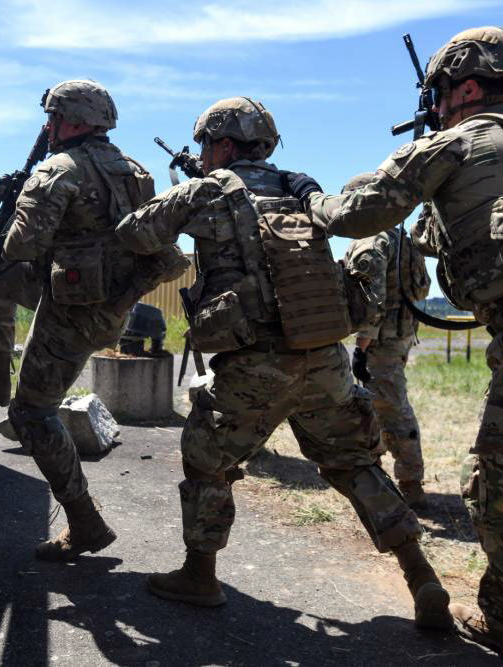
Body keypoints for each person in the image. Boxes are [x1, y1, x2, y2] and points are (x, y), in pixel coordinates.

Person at [308, 27, 503, 663]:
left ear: (466, 87)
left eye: (442, 93)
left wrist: (312, 200)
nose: (437, 105)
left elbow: (354, 214)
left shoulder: (453, 143)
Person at [115, 97, 452, 631]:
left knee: (205, 458)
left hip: (254, 364)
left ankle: (200, 575)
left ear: (224, 144)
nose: (201, 156)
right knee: (356, 465)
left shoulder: (204, 190)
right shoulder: (301, 185)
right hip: (324, 358)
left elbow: (134, 234)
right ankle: (421, 577)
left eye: (206, 145)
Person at [0, 80, 188, 560]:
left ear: (75, 120)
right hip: (110, 303)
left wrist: (16, 206)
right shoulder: (134, 171)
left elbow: (22, 246)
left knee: (30, 414)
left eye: (54, 118)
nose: (48, 127)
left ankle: (85, 522)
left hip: (73, 310)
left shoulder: (58, 171)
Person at [342, 173, 432, 509]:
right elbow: (421, 290)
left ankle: (410, 484)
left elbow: (371, 301)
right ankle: (394, 478)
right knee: (384, 408)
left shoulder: (370, 242)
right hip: (401, 336)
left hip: (378, 343)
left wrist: (360, 347)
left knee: (392, 411)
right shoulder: (401, 240)